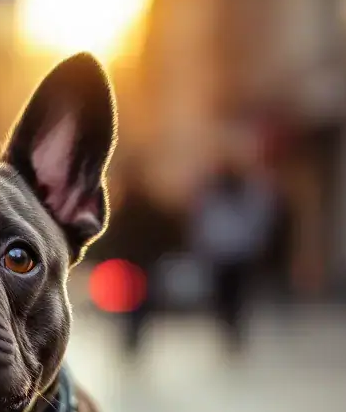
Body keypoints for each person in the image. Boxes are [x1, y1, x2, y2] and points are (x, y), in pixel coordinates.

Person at [190, 146, 278, 353]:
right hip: (219, 253)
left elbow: (259, 219)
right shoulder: (211, 195)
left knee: (238, 295)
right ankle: (227, 326)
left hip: (240, 252)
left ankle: (235, 327)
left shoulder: (247, 194)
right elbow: (201, 222)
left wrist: (256, 242)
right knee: (223, 295)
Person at [98, 160, 181, 356]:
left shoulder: (125, 207)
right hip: (140, 262)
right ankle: (132, 337)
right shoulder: (139, 206)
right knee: (137, 304)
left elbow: (114, 235)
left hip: (135, 262)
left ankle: (131, 338)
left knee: (132, 304)